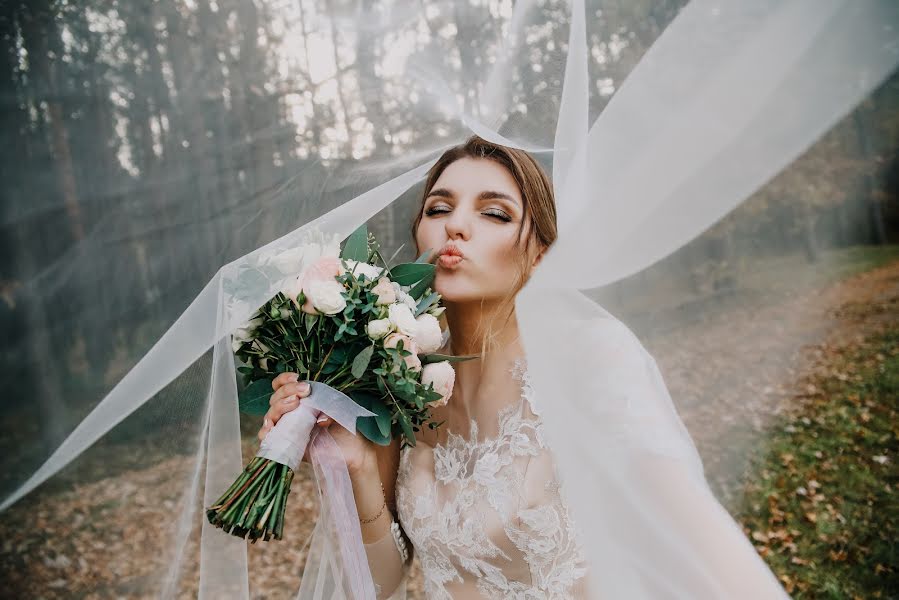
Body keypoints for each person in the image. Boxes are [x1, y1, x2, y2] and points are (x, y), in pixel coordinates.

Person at [257, 135, 593, 598]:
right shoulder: (397, 386)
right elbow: (384, 581)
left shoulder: (582, 376)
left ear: (540, 255)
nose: (455, 225)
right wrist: (357, 466)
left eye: (494, 212)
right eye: (438, 209)